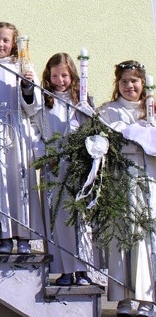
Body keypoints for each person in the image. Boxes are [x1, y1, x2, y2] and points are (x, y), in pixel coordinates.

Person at [0, 22, 42, 254]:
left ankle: (23, 236)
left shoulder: (22, 66)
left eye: (5, 40)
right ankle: (4, 236)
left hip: (18, 128)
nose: (0, 44)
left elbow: (33, 107)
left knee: (19, 182)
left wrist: (27, 87)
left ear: (14, 44)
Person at [97, 60, 155, 317]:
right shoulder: (109, 111)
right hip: (120, 177)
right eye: (124, 82)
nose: (129, 86)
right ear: (117, 85)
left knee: (144, 235)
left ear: (143, 84)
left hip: (148, 177)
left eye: (134, 81)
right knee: (120, 233)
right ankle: (123, 297)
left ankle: (146, 298)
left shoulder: (152, 110)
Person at [34, 53, 94, 285]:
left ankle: (84, 270)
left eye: (65, 75)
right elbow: (34, 131)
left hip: (78, 168)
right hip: (54, 166)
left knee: (81, 220)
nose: (60, 80)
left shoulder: (81, 100)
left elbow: (90, 128)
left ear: (73, 76)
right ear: (48, 76)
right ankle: (65, 270)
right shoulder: (43, 101)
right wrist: (44, 153)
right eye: (55, 75)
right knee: (58, 219)